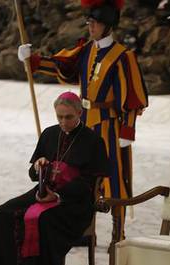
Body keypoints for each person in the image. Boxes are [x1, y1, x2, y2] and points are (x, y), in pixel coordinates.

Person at [17, 0, 148, 235]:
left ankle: (118, 231)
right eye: (89, 23)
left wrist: (127, 131)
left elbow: (131, 98)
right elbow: (64, 65)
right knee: (80, 175)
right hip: (84, 122)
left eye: (95, 23)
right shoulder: (88, 49)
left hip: (108, 126)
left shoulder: (122, 56)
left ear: (108, 25)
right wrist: (33, 59)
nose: (91, 27)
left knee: (113, 177)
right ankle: (86, 228)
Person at [0, 91, 108, 265]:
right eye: (59, 117)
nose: (63, 122)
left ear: (79, 113)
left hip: (74, 202)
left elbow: (89, 185)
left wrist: (58, 196)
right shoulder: (49, 134)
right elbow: (31, 174)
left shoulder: (93, 141)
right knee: (2, 213)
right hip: (42, 191)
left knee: (45, 219)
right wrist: (38, 167)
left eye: (68, 117)